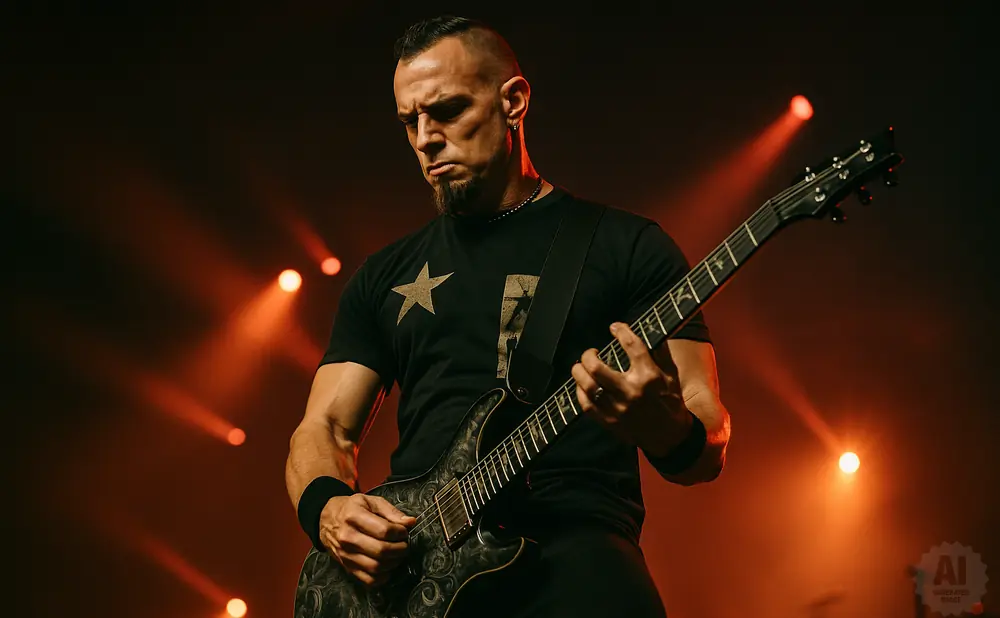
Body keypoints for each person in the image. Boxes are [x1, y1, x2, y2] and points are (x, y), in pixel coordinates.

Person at [285, 15, 731, 618]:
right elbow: (324, 430)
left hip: (579, 565)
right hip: (420, 584)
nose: (424, 138)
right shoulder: (383, 275)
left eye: (445, 111)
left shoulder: (626, 246)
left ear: (513, 101)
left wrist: (665, 425)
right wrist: (329, 510)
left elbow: (709, 435)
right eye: (409, 121)